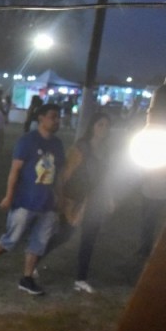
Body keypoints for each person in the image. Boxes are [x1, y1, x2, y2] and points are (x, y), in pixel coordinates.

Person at [0, 103, 66, 295]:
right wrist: (9, 196)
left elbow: (59, 174)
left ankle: (26, 278)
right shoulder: (28, 141)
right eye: (53, 116)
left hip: (47, 203)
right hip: (26, 200)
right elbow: (15, 171)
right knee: (13, 238)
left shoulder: (58, 144)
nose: (56, 120)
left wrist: (60, 197)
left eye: (58, 117)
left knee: (39, 241)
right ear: (41, 118)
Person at [61, 112, 112, 294]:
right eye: (100, 125)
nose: (104, 129)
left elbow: (106, 177)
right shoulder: (81, 148)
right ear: (92, 126)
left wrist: (108, 197)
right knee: (64, 234)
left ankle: (81, 278)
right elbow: (66, 174)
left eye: (106, 125)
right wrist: (61, 197)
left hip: (95, 201)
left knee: (89, 239)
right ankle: (34, 261)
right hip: (77, 198)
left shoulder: (106, 150)